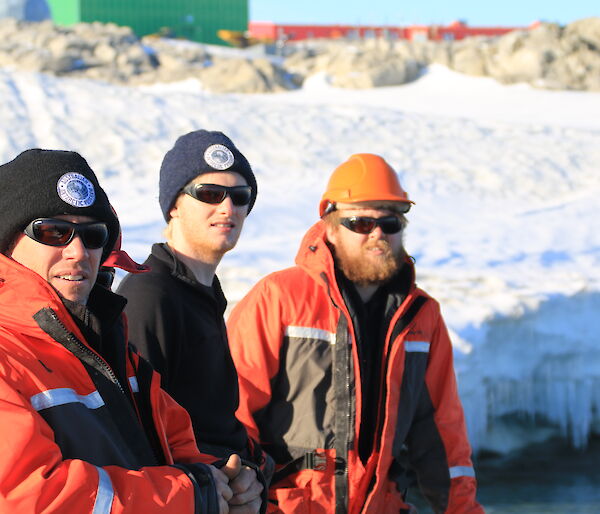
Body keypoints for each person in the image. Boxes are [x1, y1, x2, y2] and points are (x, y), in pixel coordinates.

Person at [0, 148, 264, 513]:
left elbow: (179, 448)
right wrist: (190, 495)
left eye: (93, 234)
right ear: (8, 242)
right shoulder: (8, 358)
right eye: (54, 231)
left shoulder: (112, 350)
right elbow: (28, 495)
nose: (78, 251)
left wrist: (227, 482)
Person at [227, 154, 484, 513]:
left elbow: (442, 433)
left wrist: (463, 509)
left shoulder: (422, 316)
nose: (377, 234)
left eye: (390, 222)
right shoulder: (279, 298)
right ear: (330, 227)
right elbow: (233, 413)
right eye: (360, 222)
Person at [117, 131, 271, 478]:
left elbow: (212, 421)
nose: (228, 207)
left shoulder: (203, 293)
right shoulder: (150, 294)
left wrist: (255, 471)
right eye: (209, 194)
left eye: (240, 196)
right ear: (174, 205)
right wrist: (210, 488)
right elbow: (141, 432)